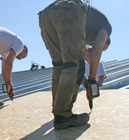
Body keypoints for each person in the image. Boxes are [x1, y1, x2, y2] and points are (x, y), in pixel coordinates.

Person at [38, 0, 112, 130]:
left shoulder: (86, 28)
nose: (101, 51)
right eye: (104, 48)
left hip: (46, 15)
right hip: (69, 10)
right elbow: (97, 48)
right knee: (75, 65)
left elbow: (69, 70)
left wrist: (85, 83)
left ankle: (59, 110)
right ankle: (63, 116)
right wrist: (92, 79)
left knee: (60, 66)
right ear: (106, 39)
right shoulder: (106, 28)